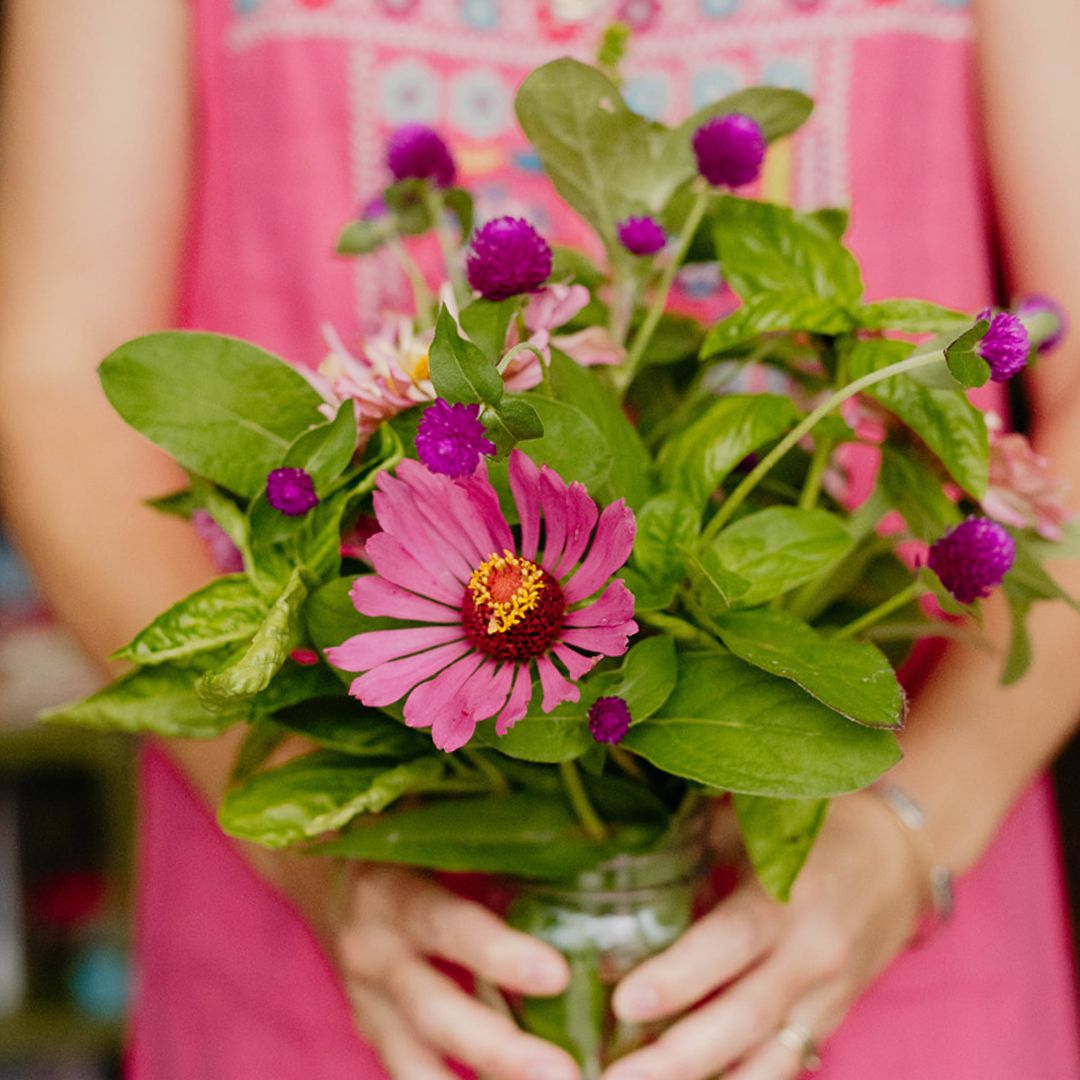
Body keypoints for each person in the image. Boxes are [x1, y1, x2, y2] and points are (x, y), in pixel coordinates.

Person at [1, 1, 1079, 1077]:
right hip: (328, 954)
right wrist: (319, 840)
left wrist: (909, 830)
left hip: (896, 923)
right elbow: (56, 385)